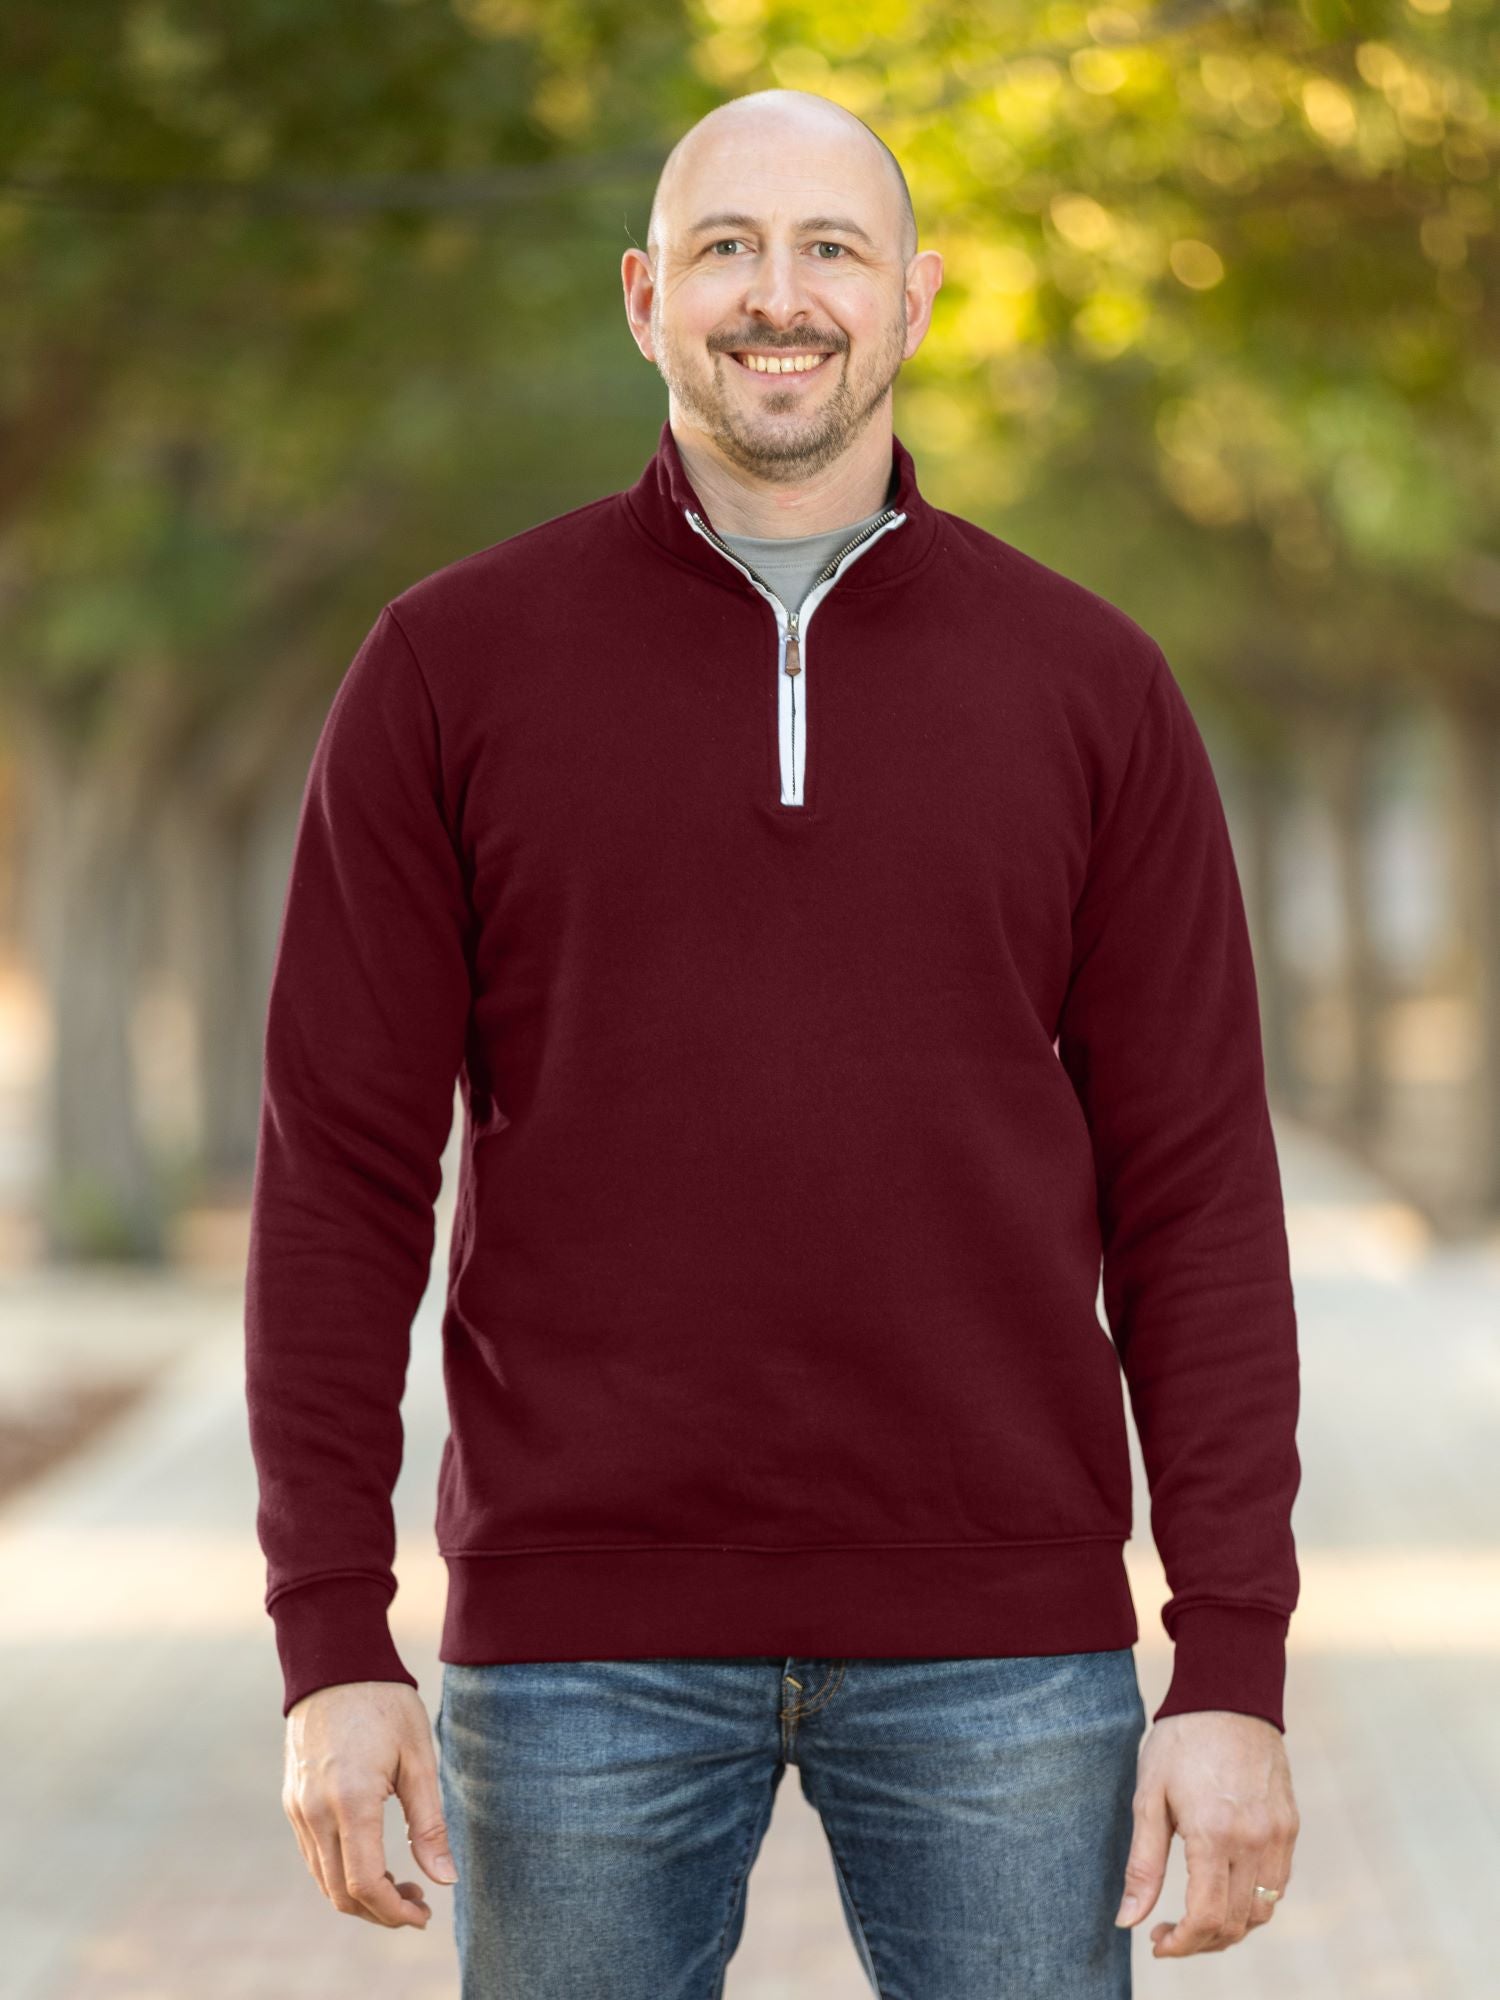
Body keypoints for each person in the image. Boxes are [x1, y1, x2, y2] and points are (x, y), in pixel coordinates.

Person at [248, 86, 1302, 1998]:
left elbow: (1201, 1196)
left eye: (831, 249)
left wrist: (1232, 1656)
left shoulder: (1090, 687)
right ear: (645, 298)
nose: (778, 295)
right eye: (727, 248)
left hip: (1007, 1644)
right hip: (576, 1647)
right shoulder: (449, 666)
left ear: (915, 299)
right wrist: (330, 1636)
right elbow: (337, 1178)